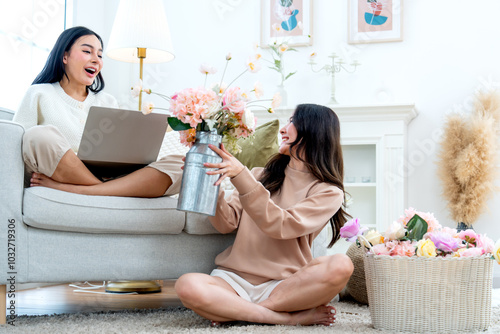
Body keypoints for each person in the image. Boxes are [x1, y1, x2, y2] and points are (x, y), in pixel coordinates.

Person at [175, 104, 353, 327]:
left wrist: (241, 176)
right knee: (187, 285)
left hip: (285, 285)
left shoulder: (328, 192)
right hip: (233, 280)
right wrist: (209, 183)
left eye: (292, 121)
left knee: (341, 265)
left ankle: (237, 311)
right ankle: (282, 318)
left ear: (313, 131)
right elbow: (226, 222)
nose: (284, 129)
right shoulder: (259, 175)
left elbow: (281, 226)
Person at [13, 26, 183, 197]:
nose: (96, 60)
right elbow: (15, 145)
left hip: (109, 173)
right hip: (59, 170)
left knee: (181, 165)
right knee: (39, 136)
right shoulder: (40, 93)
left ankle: (81, 189)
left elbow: (119, 150)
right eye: (87, 51)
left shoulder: (108, 101)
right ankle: (109, 189)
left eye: (100, 55)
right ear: (64, 56)